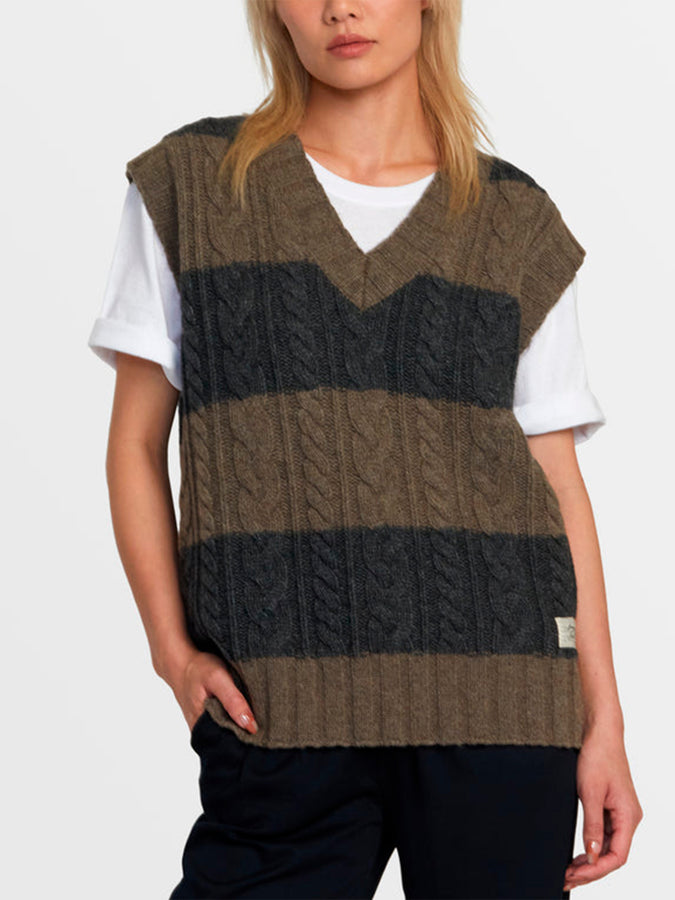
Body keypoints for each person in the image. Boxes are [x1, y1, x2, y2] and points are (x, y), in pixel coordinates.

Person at [88, 1, 643, 897]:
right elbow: (134, 442)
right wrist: (172, 654)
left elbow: (557, 484)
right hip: (277, 711)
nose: (340, 8)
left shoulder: (514, 219)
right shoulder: (195, 183)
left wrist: (603, 720)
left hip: (501, 706)